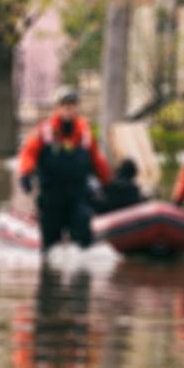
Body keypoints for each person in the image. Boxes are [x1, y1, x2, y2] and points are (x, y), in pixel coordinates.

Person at [18, 88, 111, 251]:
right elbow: (28, 153)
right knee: (50, 245)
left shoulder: (85, 133)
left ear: (77, 108)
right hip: (52, 196)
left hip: (78, 195)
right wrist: (26, 173)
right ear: (58, 108)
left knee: (84, 236)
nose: (69, 108)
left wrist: (108, 183)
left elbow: (97, 161)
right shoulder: (45, 131)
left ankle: (82, 272)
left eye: (72, 105)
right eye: (65, 105)